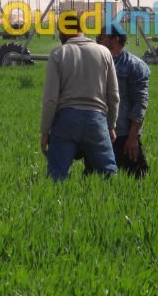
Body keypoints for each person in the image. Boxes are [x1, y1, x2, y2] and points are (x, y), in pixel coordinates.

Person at [40, 13, 119, 181]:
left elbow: (50, 99)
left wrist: (45, 131)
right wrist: (111, 126)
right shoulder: (104, 53)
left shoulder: (58, 54)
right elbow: (113, 96)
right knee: (109, 176)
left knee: (56, 178)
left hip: (65, 121)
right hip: (96, 120)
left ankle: (55, 206)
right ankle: (118, 204)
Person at [92, 29, 151, 178]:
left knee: (137, 179)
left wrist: (133, 137)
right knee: (95, 180)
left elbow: (140, 103)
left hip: (124, 134)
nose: (98, 39)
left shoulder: (134, 66)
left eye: (103, 36)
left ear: (116, 38)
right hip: (98, 131)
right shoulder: (95, 62)